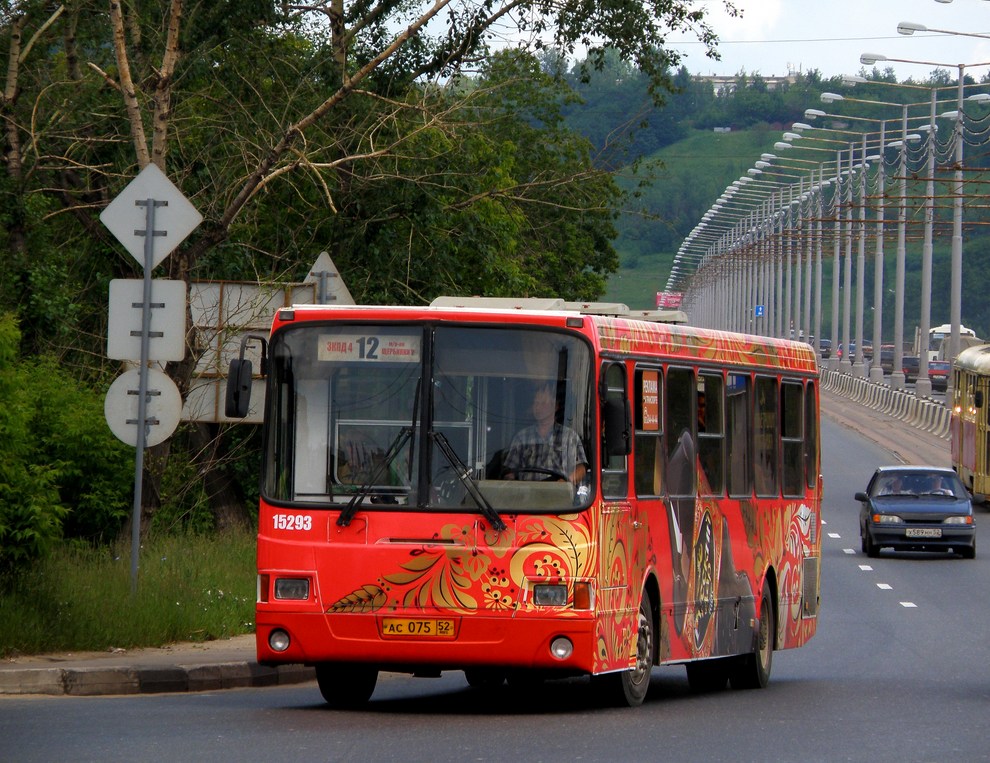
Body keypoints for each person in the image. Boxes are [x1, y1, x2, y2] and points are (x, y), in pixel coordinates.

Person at [502, 381, 588, 483]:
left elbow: (581, 468)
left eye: (543, 403)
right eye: (536, 403)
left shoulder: (570, 436)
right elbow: (509, 470)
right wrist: (509, 481)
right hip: (527, 495)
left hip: (559, 496)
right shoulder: (522, 437)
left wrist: (566, 482)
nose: (537, 407)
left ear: (556, 406)